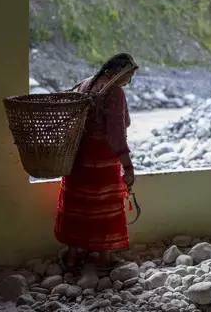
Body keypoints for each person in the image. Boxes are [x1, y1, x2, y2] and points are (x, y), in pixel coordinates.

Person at [54, 53, 138, 271]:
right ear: (116, 72)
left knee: (78, 205)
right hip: (102, 157)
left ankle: (72, 258)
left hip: (78, 156)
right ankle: (104, 258)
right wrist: (128, 166)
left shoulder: (85, 84)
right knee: (104, 206)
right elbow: (116, 133)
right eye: (128, 75)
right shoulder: (114, 92)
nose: (128, 81)